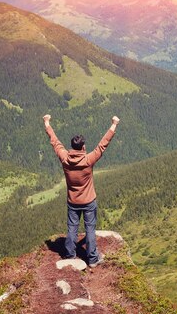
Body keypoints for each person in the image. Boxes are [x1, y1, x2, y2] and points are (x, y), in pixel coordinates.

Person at [43, 114, 119, 268]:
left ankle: (70, 255)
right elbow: (102, 145)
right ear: (83, 147)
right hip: (89, 201)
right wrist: (114, 125)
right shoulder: (88, 160)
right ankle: (92, 259)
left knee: (72, 228)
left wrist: (47, 123)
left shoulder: (65, 158)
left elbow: (55, 143)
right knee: (90, 228)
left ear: (71, 147)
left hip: (73, 201)